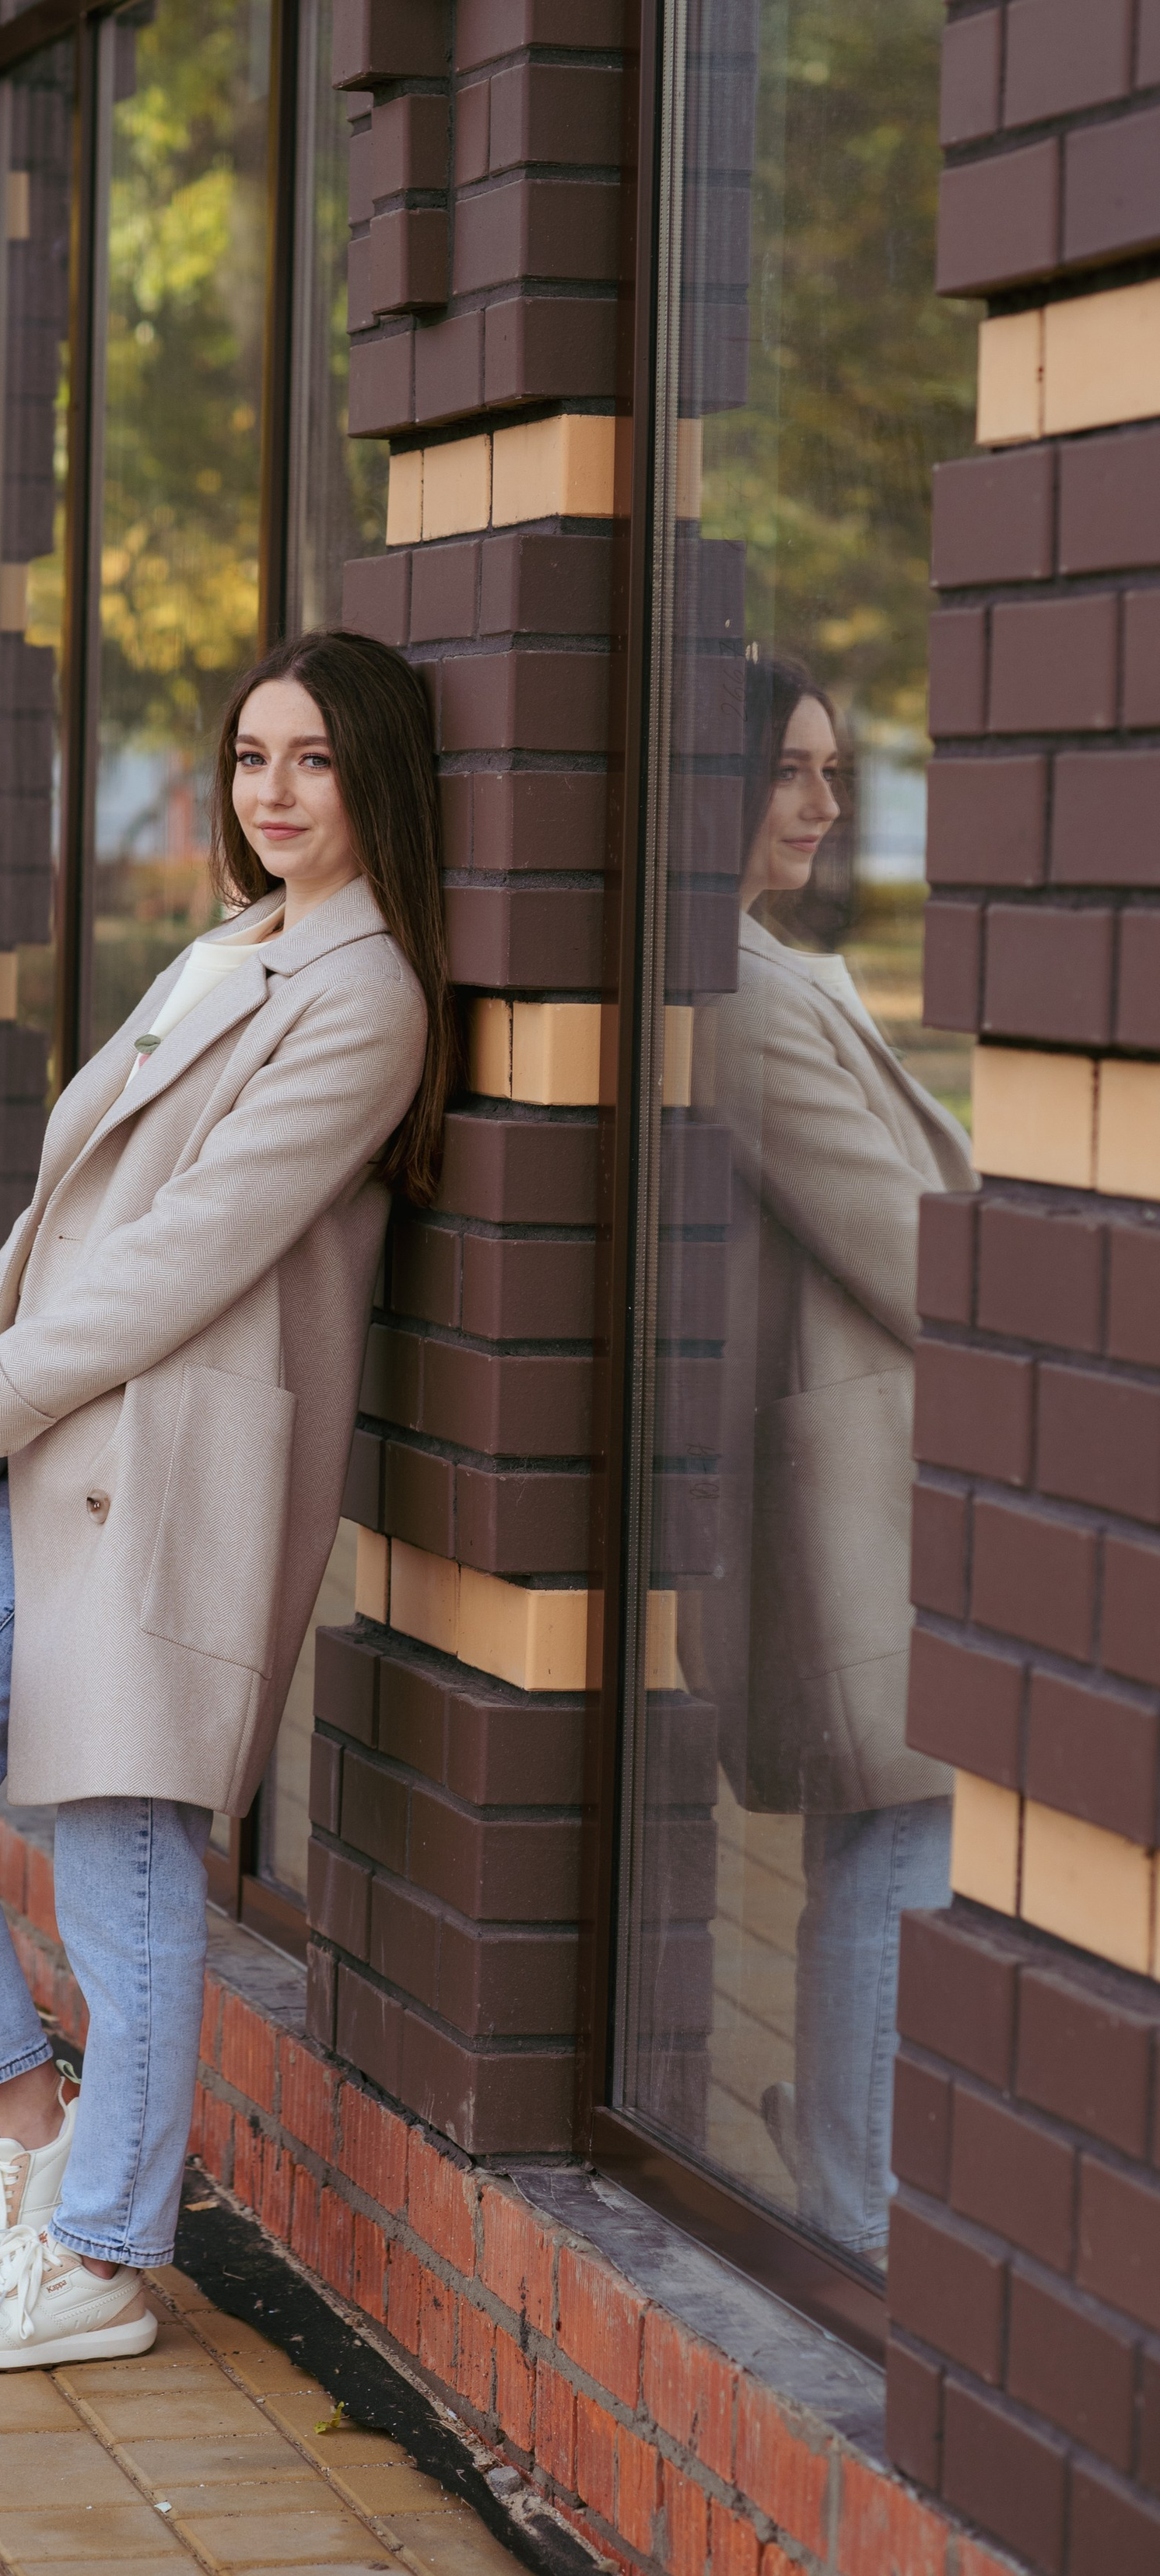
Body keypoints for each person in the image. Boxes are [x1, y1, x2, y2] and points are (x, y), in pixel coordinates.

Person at [0, 628, 448, 2370]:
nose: (270, 792)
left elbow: (194, 1250)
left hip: (166, 1473)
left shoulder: (365, 994)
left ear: (374, 780)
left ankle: (99, 2259)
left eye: (312, 760)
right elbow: (62, 1220)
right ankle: (34, 2141)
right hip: (54, 1448)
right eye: (251, 757)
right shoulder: (225, 951)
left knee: (122, 1840)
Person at [687, 651, 975, 2259]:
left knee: (884, 1835)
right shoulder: (745, 990)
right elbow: (914, 1255)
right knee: (892, 1836)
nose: (820, 801)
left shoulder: (763, 967)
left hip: (849, 1479)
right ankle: (853, 2196)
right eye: (790, 769)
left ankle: (844, 2152)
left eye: (831, 769)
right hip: (844, 1494)